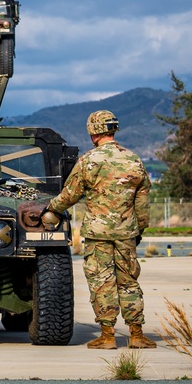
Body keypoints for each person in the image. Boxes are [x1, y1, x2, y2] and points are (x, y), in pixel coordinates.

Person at [47, 109, 156, 350]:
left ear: (93, 132)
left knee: (101, 283)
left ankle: (107, 336)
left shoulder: (89, 160)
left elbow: (71, 194)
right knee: (129, 282)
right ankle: (137, 334)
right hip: (127, 233)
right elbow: (143, 200)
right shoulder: (133, 159)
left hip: (98, 235)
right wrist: (139, 229)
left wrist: (52, 208)